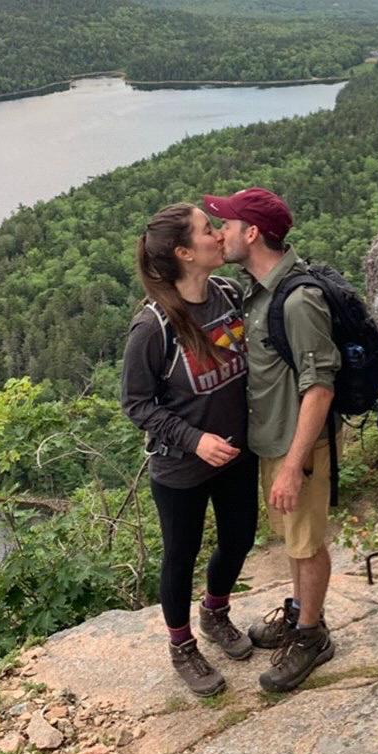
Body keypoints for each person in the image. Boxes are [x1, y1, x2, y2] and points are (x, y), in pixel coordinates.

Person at [204, 187, 341, 693]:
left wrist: (292, 465)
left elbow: (320, 386)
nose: (221, 233)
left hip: (297, 445)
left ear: (252, 233)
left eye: (227, 225)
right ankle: (301, 613)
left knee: (306, 544)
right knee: (294, 540)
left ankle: (311, 636)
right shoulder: (260, 290)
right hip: (276, 438)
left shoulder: (298, 300)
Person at [121, 202, 258, 697]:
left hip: (238, 452)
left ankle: (215, 612)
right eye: (207, 231)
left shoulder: (227, 293)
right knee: (180, 556)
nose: (218, 236)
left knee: (240, 537)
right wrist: (194, 439)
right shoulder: (154, 327)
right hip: (181, 466)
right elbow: (136, 405)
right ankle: (181, 645)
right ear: (184, 252)